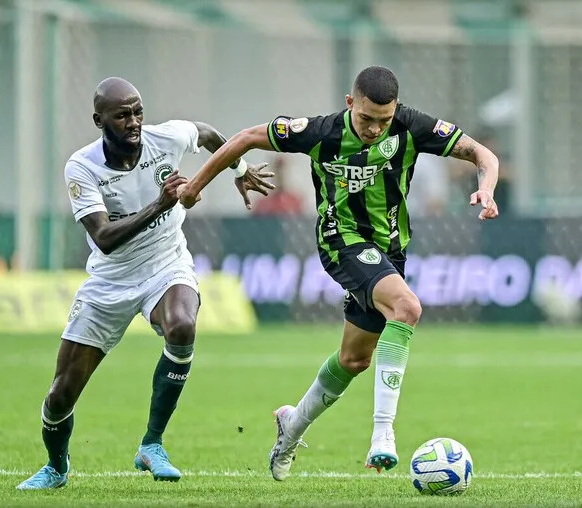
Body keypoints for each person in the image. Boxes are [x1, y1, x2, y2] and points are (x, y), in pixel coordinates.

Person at [179, 66, 500, 481]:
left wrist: (486, 188)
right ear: (351, 104)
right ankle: (383, 434)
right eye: (366, 119)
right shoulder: (320, 132)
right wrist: (197, 185)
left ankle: (291, 425)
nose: (374, 129)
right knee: (406, 307)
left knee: (354, 359)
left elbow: (483, 155)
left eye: (383, 121)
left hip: (390, 250)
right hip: (340, 239)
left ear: (395, 110)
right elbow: (244, 139)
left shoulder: (412, 126)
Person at [16, 77, 273, 490]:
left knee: (182, 326)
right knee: (60, 394)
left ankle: (152, 444)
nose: (134, 121)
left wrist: (238, 170)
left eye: (138, 111)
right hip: (110, 280)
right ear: (100, 120)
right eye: (122, 115)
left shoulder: (164, 137)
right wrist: (160, 203)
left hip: (165, 263)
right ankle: (56, 466)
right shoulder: (81, 167)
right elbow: (104, 238)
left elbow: (209, 135)